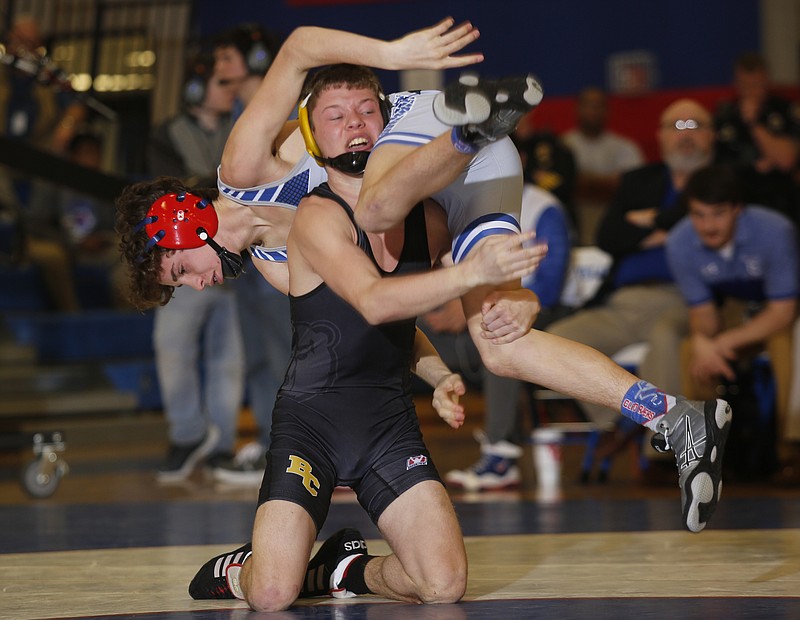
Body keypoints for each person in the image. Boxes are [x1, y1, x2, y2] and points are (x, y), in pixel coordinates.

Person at [352, 79, 732, 532]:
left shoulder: (309, 163)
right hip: (474, 176)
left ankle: (468, 133)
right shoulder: (327, 175)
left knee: (373, 214)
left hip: (446, 154)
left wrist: (394, 53)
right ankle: (674, 417)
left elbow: (378, 303)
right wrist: (517, 304)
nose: (349, 124)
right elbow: (524, 296)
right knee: (501, 344)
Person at [544, 98, 715, 431]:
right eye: (675, 126)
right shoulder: (641, 180)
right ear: (660, 135)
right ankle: (622, 427)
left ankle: (664, 452)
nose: (685, 134)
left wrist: (651, 221)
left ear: (712, 135)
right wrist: (666, 228)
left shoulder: (723, 182)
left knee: (665, 343)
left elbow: (704, 231)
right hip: (623, 303)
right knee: (560, 341)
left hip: (686, 300)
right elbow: (609, 236)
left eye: (694, 125)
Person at [430, 182, 573, 491]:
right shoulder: (453, 199)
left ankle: (500, 456)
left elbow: (550, 283)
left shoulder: (541, 206)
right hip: (467, 307)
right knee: (395, 328)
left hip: (529, 308)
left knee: (503, 331)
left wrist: (481, 304)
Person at [146, 55, 245, 483]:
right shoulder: (166, 133)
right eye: (222, 82)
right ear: (195, 88)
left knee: (230, 358)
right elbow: (172, 192)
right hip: (183, 258)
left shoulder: (237, 123)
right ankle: (187, 432)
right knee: (172, 348)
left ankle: (221, 443)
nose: (231, 89)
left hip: (227, 258)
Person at [666, 164, 799, 482]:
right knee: (692, 351)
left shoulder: (775, 230)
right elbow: (703, 311)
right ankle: (700, 455)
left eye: (718, 214)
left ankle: (790, 452)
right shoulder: (680, 241)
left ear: (738, 209)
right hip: (735, 306)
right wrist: (703, 341)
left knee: (786, 344)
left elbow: (783, 311)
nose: (708, 225)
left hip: (784, 307)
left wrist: (723, 342)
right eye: (699, 214)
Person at [209, 23, 293, 483]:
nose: (218, 67)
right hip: (249, 248)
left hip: (280, 242)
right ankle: (271, 439)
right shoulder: (235, 109)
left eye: (227, 58)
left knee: (283, 349)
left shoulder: (269, 101)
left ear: (253, 60)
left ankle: (291, 443)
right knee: (260, 353)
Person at [713, 52, 800, 227]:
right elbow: (715, 168)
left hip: (782, 196)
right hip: (738, 196)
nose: (752, 92)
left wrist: (753, 123)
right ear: (736, 84)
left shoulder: (785, 110)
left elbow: (785, 160)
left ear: (767, 82)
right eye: (746, 85)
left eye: (757, 85)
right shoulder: (724, 115)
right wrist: (753, 165)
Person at [561, 86, 645, 245]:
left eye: (599, 106)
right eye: (588, 105)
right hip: (574, 220)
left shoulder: (626, 147)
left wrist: (584, 180)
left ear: (607, 111)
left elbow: (633, 187)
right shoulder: (563, 146)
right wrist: (607, 182)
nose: (593, 111)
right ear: (577, 109)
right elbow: (565, 186)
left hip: (615, 218)